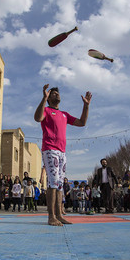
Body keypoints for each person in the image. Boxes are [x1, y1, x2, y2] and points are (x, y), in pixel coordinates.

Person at [34, 84, 92, 226]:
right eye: (53, 93)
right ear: (49, 98)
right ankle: (51, 216)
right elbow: (37, 118)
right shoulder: (46, 110)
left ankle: (59, 215)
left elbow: (82, 122)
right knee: (53, 183)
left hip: (62, 152)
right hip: (50, 149)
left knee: (60, 185)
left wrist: (86, 106)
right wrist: (43, 98)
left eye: (57, 93)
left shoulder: (64, 114)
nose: (56, 95)